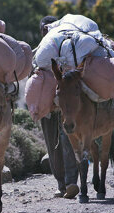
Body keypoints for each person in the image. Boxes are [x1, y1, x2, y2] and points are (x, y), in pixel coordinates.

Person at [34, 16, 79, 199]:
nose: (46, 32)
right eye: (43, 30)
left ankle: (71, 182)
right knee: (52, 146)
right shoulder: (39, 53)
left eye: (48, 29)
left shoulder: (67, 49)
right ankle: (60, 184)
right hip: (47, 110)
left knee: (68, 144)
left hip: (64, 109)